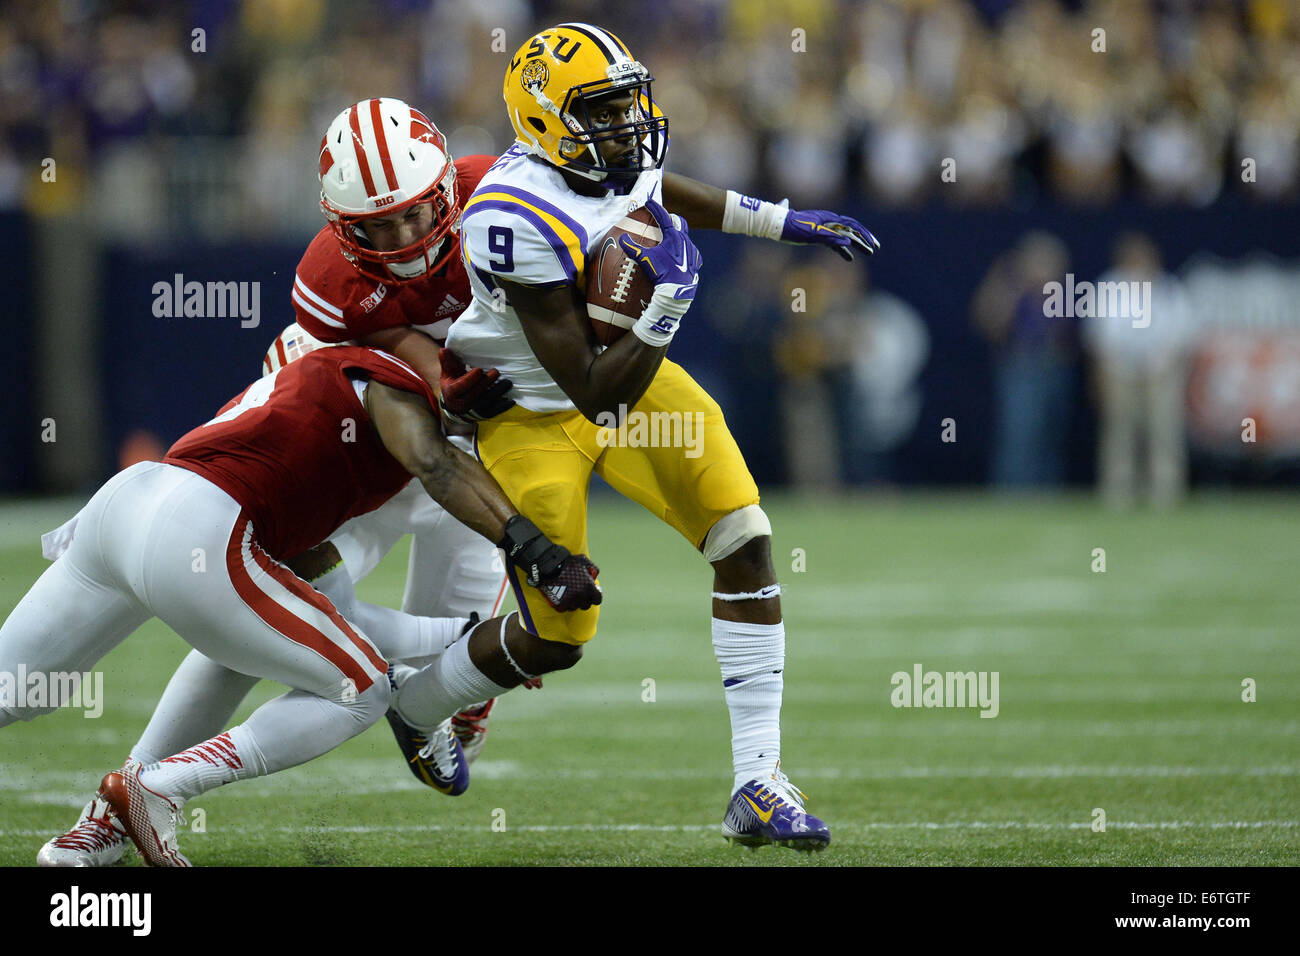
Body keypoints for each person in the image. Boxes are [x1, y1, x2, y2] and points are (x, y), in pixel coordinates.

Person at [404, 23, 881, 852]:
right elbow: (590, 387)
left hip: (628, 382)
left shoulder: (612, 159)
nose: (628, 124)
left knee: (745, 537)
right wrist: (669, 304)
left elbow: (660, 195)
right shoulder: (512, 216)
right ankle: (417, 706)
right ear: (547, 121)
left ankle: (758, 782)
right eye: (603, 110)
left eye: (628, 103)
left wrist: (781, 222)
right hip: (535, 411)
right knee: (561, 635)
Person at [0, 346, 601, 866]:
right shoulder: (388, 386)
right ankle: (152, 789)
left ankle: (102, 827)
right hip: (200, 531)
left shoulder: (306, 393)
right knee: (361, 690)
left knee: (14, 688)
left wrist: (467, 633)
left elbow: (335, 613)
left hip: (125, 505)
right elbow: (434, 463)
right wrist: (537, 557)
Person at [1083, 233, 1193, 508]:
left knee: (1163, 432)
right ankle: (1118, 492)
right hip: (1119, 372)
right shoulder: (1108, 287)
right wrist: (1105, 372)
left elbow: (1184, 335)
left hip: (1161, 373)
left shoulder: (1169, 289)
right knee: (1120, 432)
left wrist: (1166, 366)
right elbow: (1098, 336)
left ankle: (1165, 491)